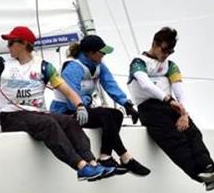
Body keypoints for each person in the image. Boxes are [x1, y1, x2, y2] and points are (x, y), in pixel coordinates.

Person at [0, 26, 115, 181]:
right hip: (11, 115)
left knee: (69, 122)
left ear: (23, 44)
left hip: (36, 113)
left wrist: (80, 106)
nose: (7, 46)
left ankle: (92, 163)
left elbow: (66, 89)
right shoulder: (4, 66)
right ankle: (81, 167)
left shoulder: (44, 67)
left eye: (11, 43)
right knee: (48, 123)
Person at [127, 27, 214, 191]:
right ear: (154, 44)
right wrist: (168, 100)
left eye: (171, 51)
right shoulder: (138, 62)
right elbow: (145, 84)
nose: (167, 54)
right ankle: (200, 176)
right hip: (150, 108)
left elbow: (179, 89)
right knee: (177, 142)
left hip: (172, 106)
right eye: (165, 50)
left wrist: (184, 114)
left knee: (193, 133)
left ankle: (210, 169)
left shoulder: (170, 65)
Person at [50, 35, 150, 177]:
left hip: (83, 109)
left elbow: (110, 85)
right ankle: (125, 157)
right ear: (91, 53)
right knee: (105, 114)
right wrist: (87, 99)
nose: (104, 55)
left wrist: (126, 104)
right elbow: (72, 102)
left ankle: (105, 156)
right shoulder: (72, 68)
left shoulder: (98, 66)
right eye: (102, 52)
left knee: (117, 114)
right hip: (65, 112)